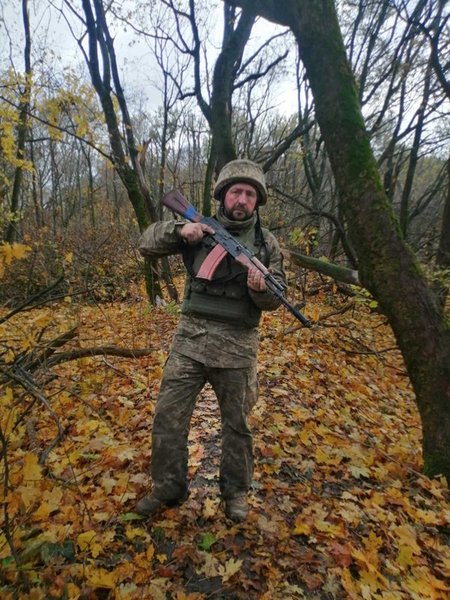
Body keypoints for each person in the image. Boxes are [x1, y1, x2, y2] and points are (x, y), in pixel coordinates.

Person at [136, 159, 287, 522]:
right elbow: (146, 243)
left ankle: (235, 492)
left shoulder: (266, 244)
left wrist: (260, 289)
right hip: (189, 342)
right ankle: (168, 488)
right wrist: (180, 232)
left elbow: (276, 298)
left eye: (249, 194)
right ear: (222, 194)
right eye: (236, 191)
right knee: (168, 418)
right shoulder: (200, 228)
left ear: (258, 200)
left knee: (238, 427)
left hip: (237, 349)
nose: (242, 199)